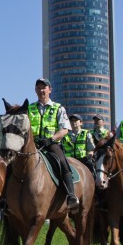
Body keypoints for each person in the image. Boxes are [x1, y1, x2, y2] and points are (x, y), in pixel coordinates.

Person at [28, 78, 79, 210]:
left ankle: (71, 195)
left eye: (43, 87)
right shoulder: (30, 108)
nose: (41, 90)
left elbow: (65, 129)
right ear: (35, 90)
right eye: (38, 88)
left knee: (62, 162)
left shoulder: (58, 108)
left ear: (49, 90)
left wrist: (51, 139)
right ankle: (6, 198)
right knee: (14, 163)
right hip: (33, 144)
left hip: (50, 144)